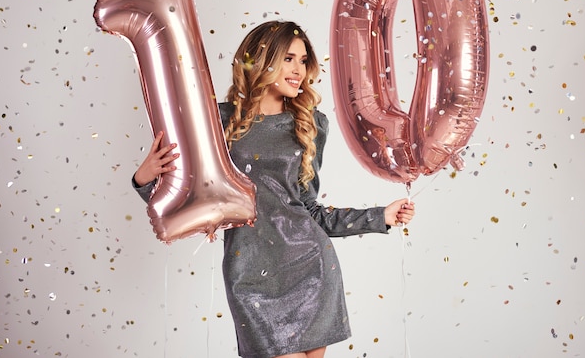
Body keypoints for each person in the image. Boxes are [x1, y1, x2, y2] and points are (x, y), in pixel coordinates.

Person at [132, 21, 416, 358]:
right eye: (289, 59)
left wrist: (379, 216)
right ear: (263, 60)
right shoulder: (218, 121)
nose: (300, 70)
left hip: (310, 266)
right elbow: (187, 200)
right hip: (248, 276)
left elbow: (309, 210)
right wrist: (144, 179)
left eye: (303, 60)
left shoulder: (310, 124)